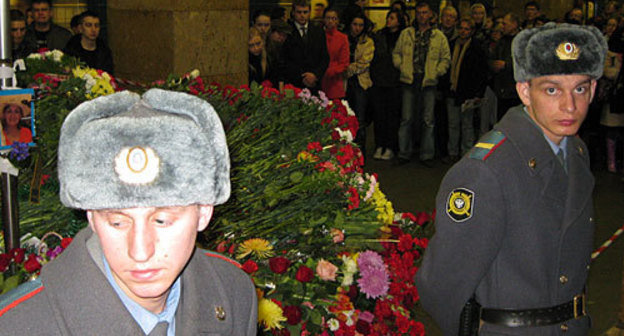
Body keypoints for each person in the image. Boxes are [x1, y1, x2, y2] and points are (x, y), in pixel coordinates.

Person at [0, 89, 258, 335]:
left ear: (204, 212)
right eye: (117, 222)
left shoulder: (233, 293)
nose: (140, 252)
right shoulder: (18, 324)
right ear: (91, 216)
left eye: (161, 220)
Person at [417, 22, 606, 335]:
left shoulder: (576, 152)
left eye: (580, 89)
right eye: (552, 90)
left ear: (594, 90)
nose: (569, 105)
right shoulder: (487, 171)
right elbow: (441, 282)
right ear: (524, 91)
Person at [392, 1, 450, 166]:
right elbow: (396, 53)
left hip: (429, 80)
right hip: (409, 79)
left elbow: (446, 58)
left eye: (425, 12)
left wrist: (438, 71)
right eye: (419, 13)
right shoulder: (407, 33)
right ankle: (404, 153)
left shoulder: (438, 36)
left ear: (430, 14)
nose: (422, 16)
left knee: (428, 120)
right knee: (406, 118)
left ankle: (427, 155)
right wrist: (402, 66)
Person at [443, 17, 488, 163]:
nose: (463, 31)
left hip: (468, 92)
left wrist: (478, 94)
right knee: (452, 124)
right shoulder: (451, 45)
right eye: (461, 28)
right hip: (452, 90)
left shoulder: (477, 48)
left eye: (466, 29)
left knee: (467, 125)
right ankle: (452, 152)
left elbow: (482, 72)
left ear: (472, 31)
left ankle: (466, 154)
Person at [370, 9, 405, 161]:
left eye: (392, 17)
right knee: (379, 116)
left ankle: (390, 146)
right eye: (388, 17)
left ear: (399, 20)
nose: (389, 20)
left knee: (392, 116)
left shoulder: (403, 36)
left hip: (395, 82)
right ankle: (379, 145)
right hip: (380, 80)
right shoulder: (380, 35)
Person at [280, 0, 329, 92]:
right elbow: (284, 60)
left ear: (310, 13)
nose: (302, 15)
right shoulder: (286, 31)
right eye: (299, 12)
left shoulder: (318, 31)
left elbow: (325, 58)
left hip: (314, 83)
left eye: (305, 12)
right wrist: (302, 76)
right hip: (294, 83)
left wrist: (315, 75)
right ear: (293, 13)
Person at [345, 13, 374, 155]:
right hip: (344, 83)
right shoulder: (344, 38)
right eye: (355, 24)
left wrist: (347, 69)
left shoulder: (367, 42)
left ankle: (360, 150)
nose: (357, 28)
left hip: (360, 83)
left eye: (360, 25)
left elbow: (364, 63)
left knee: (360, 119)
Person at [491, 12, 521, 120]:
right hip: (501, 89)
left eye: (505, 24)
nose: (502, 26)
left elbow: (524, 63)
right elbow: (493, 57)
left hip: (515, 91)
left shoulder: (522, 41)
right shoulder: (501, 41)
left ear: (514, 24)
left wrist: (507, 65)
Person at [321, 7, 349, 99]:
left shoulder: (342, 38)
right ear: (324, 19)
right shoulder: (318, 35)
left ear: (338, 21)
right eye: (328, 18)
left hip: (335, 80)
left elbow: (344, 63)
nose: (330, 21)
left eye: (334, 18)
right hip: (319, 78)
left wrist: (331, 71)